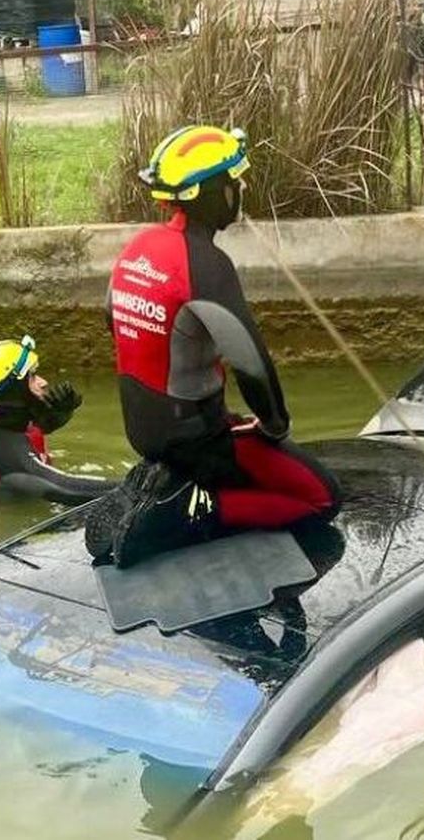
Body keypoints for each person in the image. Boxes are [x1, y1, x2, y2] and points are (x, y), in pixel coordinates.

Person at [88, 125, 341, 568]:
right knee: (321, 497)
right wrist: (275, 426)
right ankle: (189, 513)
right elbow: (251, 364)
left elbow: (112, 317)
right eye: (233, 182)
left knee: (237, 456)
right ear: (214, 194)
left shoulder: (139, 247)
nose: (239, 190)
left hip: (144, 430)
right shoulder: (207, 264)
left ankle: (165, 479)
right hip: (198, 438)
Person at [0, 335, 116, 505]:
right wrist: (136, 488)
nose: (43, 382)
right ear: (13, 393)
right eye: (32, 377)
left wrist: (58, 415)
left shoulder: (1, 420)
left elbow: (33, 429)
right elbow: (67, 489)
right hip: (26, 521)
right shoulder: (8, 454)